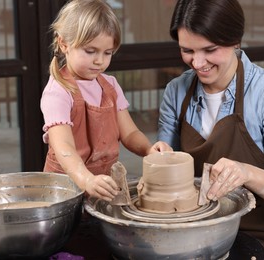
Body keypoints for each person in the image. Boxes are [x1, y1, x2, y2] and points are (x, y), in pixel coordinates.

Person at [157, 0, 264, 259]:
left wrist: (245, 172)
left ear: (235, 40)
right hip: (204, 231)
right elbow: (167, 161)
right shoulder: (176, 92)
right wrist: (160, 157)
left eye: (209, 49)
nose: (197, 62)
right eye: (187, 50)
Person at [40, 0, 172, 202]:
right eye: (90, 51)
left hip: (102, 183)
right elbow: (64, 147)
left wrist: (148, 150)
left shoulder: (110, 86)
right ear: (63, 44)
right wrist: (86, 180)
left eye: (107, 53)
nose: (99, 61)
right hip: (64, 189)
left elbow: (129, 133)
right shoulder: (58, 92)